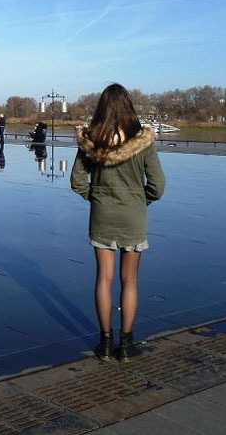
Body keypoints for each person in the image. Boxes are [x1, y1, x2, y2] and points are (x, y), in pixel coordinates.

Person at [70, 83, 166, 363]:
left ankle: (105, 343)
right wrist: (141, 200)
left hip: (102, 214)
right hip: (133, 214)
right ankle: (126, 345)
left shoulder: (90, 140)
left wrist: (98, 197)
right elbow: (158, 186)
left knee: (104, 278)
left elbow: (77, 182)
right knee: (130, 280)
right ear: (129, 107)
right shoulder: (143, 140)